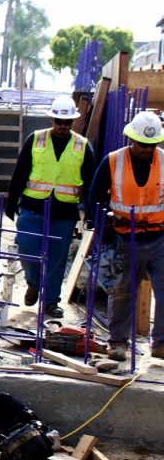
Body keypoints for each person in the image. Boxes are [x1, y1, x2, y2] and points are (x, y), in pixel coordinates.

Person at [4, 95, 95, 319]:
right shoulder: (35, 139)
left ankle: (51, 301)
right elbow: (20, 172)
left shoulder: (82, 146)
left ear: (72, 122)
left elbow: (91, 182)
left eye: (67, 123)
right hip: (33, 207)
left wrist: (90, 213)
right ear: (52, 119)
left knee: (57, 258)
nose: (62, 126)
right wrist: (11, 200)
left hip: (63, 212)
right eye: (58, 121)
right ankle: (33, 283)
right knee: (25, 246)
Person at [87, 110, 164, 361]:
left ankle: (160, 344)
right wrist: (108, 219)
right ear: (131, 139)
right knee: (122, 292)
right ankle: (118, 342)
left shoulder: (163, 161)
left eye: (152, 145)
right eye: (143, 144)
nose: (147, 150)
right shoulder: (113, 161)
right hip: (124, 237)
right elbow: (94, 197)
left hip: (158, 237)